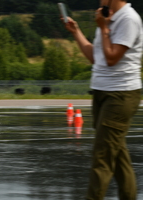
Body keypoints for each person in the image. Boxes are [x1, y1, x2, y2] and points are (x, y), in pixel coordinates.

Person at [63, 0, 143, 199]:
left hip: (120, 95)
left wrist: (104, 27)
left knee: (102, 158)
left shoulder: (128, 19)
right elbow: (95, 56)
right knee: (117, 156)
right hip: (101, 92)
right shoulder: (107, 18)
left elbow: (112, 57)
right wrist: (76, 32)